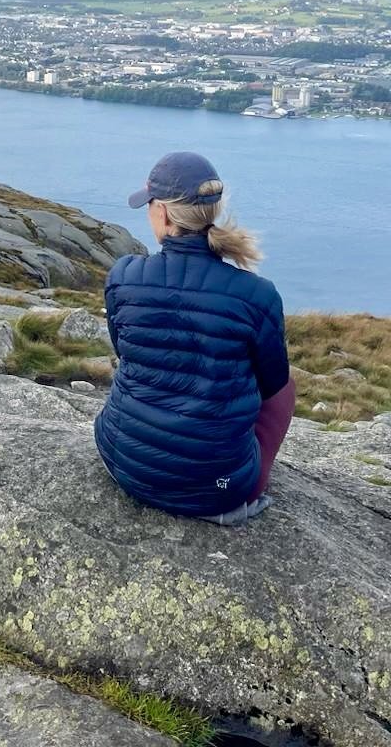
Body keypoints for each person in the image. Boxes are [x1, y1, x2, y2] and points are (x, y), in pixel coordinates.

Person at [93, 151, 295, 526]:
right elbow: (272, 386)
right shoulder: (256, 294)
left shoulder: (124, 276)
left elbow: (123, 350)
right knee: (285, 387)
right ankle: (243, 485)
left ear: (164, 214)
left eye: (150, 204)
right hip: (215, 488)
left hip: (123, 462)